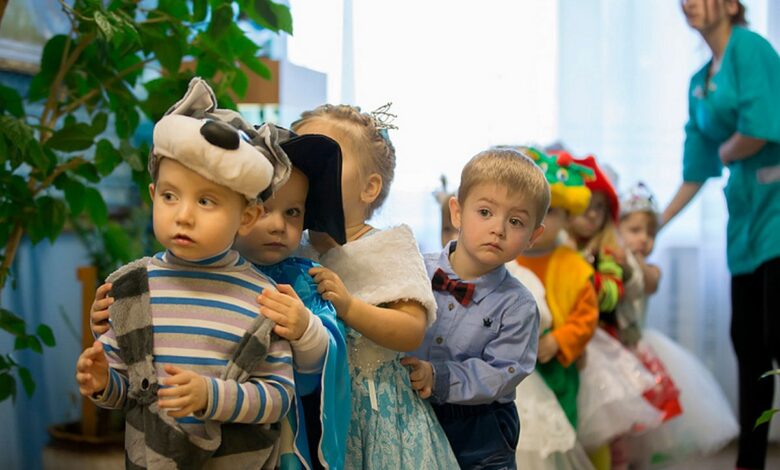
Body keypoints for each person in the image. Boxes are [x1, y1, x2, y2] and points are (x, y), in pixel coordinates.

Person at [75, 78, 295, 468]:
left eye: (206, 201)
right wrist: (104, 381)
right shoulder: (133, 288)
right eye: (170, 196)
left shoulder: (263, 299)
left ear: (247, 217)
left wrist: (212, 397)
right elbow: (129, 391)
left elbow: (279, 397)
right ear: (152, 195)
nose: (184, 215)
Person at [292, 104, 459, 468]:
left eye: (324, 159)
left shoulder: (388, 246)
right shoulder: (293, 248)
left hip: (375, 411)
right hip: (309, 410)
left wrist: (350, 308)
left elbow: (411, 329)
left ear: (369, 187)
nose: (307, 170)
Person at [661, 2, 780, 468]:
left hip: (777, 212)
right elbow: (696, 167)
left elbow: (757, 130)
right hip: (746, 222)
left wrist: (726, 152)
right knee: (748, 344)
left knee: (775, 334)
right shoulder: (699, 82)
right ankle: (749, 461)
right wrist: (655, 225)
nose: (690, 3)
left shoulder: (750, 49)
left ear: (732, 5)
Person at [404, 148, 545, 469]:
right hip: (411, 406)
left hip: (480, 426)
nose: (498, 229)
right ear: (456, 213)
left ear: (533, 236)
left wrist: (438, 376)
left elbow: (503, 372)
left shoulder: (519, 305)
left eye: (516, 221)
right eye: (485, 212)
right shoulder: (413, 270)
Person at [235, 129, 351, 470]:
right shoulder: (199, 270)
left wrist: (305, 330)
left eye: (292, 212)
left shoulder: (304, 282)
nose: (278, 225)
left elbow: (320, 371)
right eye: (262, 208)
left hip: (280, 434)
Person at [618, 182, 738, 468]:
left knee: (643, 416)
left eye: (651, 234)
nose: (644, 239)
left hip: (638, 349)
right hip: (612, 349)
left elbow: (648, 283)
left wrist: (630, 259)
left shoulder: (650, 269)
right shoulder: (610, 263)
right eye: (634, 231)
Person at [564, 153, 663, 470]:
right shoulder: (561, 248)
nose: (592, 214)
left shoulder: (608, 252)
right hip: (568, 343)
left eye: (600, 208)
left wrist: (600, 275)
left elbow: (616, 294)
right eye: (586, 205)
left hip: (603, 346)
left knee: (608, 423)